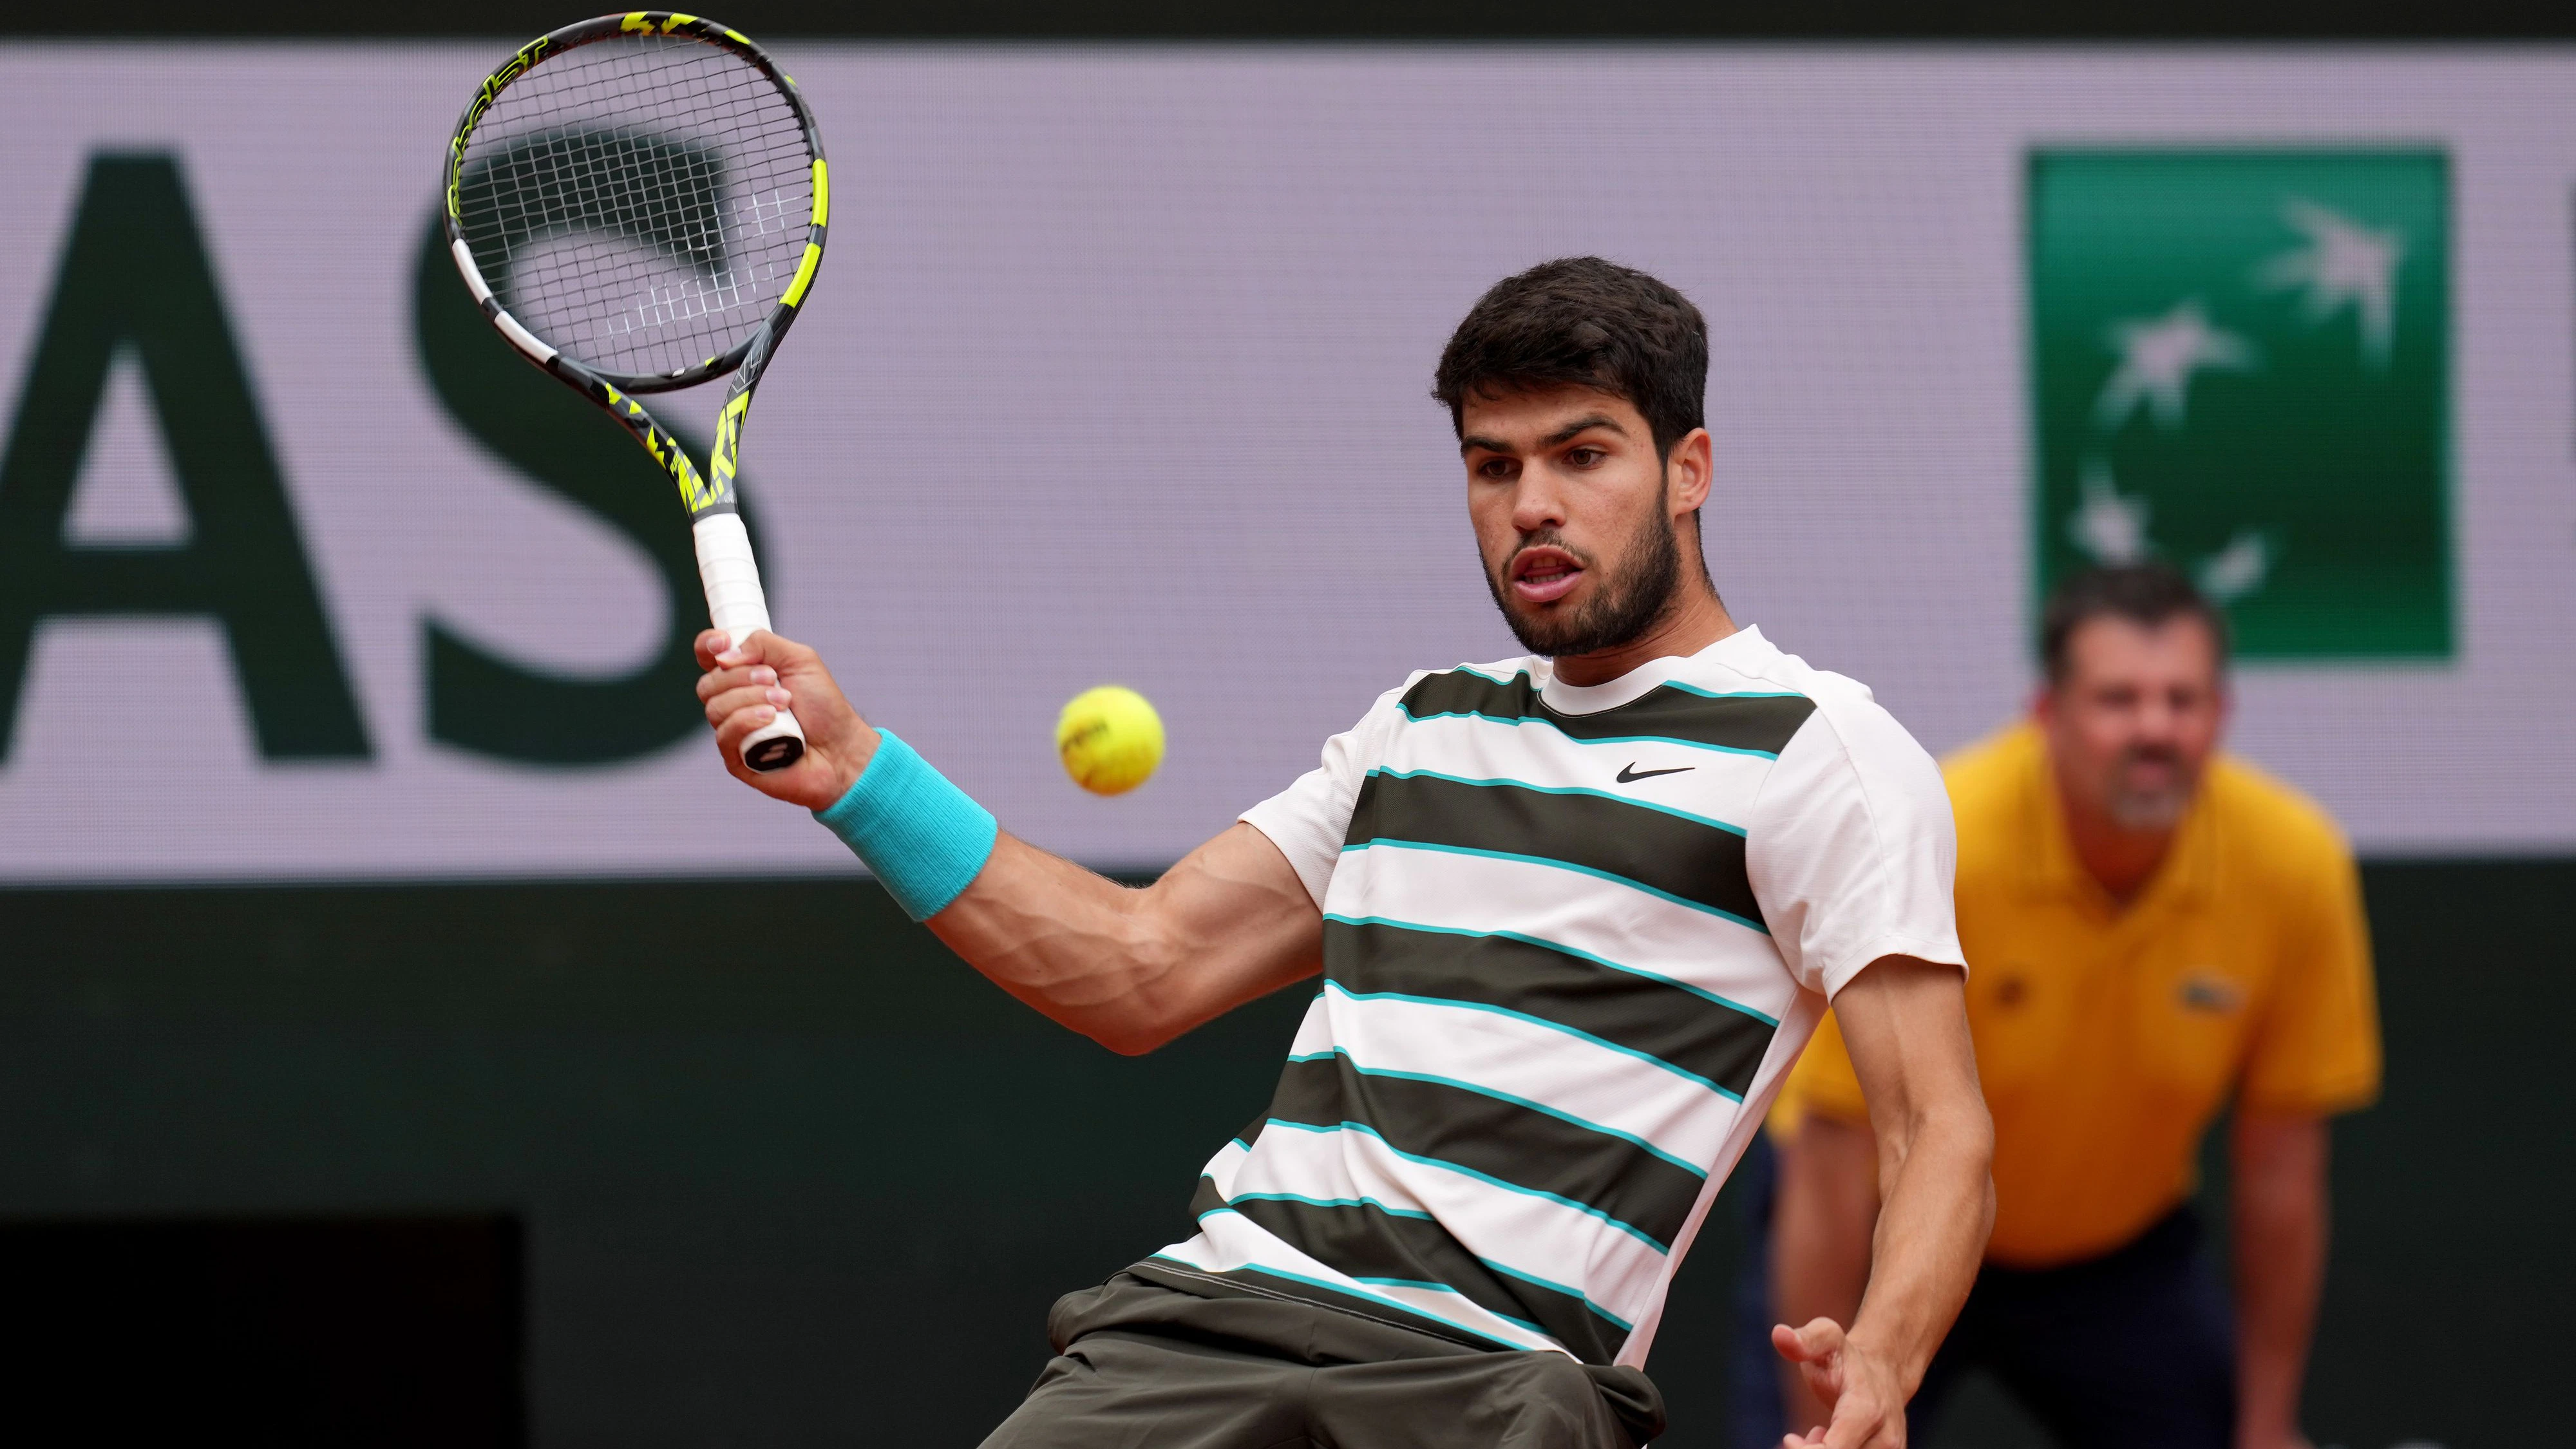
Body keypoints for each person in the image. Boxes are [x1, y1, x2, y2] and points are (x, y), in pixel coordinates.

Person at [694, 257, 1994, 1449]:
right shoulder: (1418, 729)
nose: (1531, 505)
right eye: (1492, 468)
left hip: (1486, 1381)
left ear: (1688, 468)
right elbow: (1136, 969)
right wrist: (856, 775)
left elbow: (1935, 1127)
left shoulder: (1819, 752)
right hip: (1200, 1331)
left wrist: (1883, 1357)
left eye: (1580, 455)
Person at [1761, 564, 2382, 1449]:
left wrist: (2270, 1419)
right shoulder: (1942, 841)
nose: (2154, 727)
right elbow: (1827, 1163)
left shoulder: (2294, 864)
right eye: (2118, 699)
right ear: (2047, 714)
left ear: (2222, 715)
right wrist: (1820, 1424)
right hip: (1891, 1249)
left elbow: (2282, 1169)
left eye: (2183, 699)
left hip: (2117, 1258)